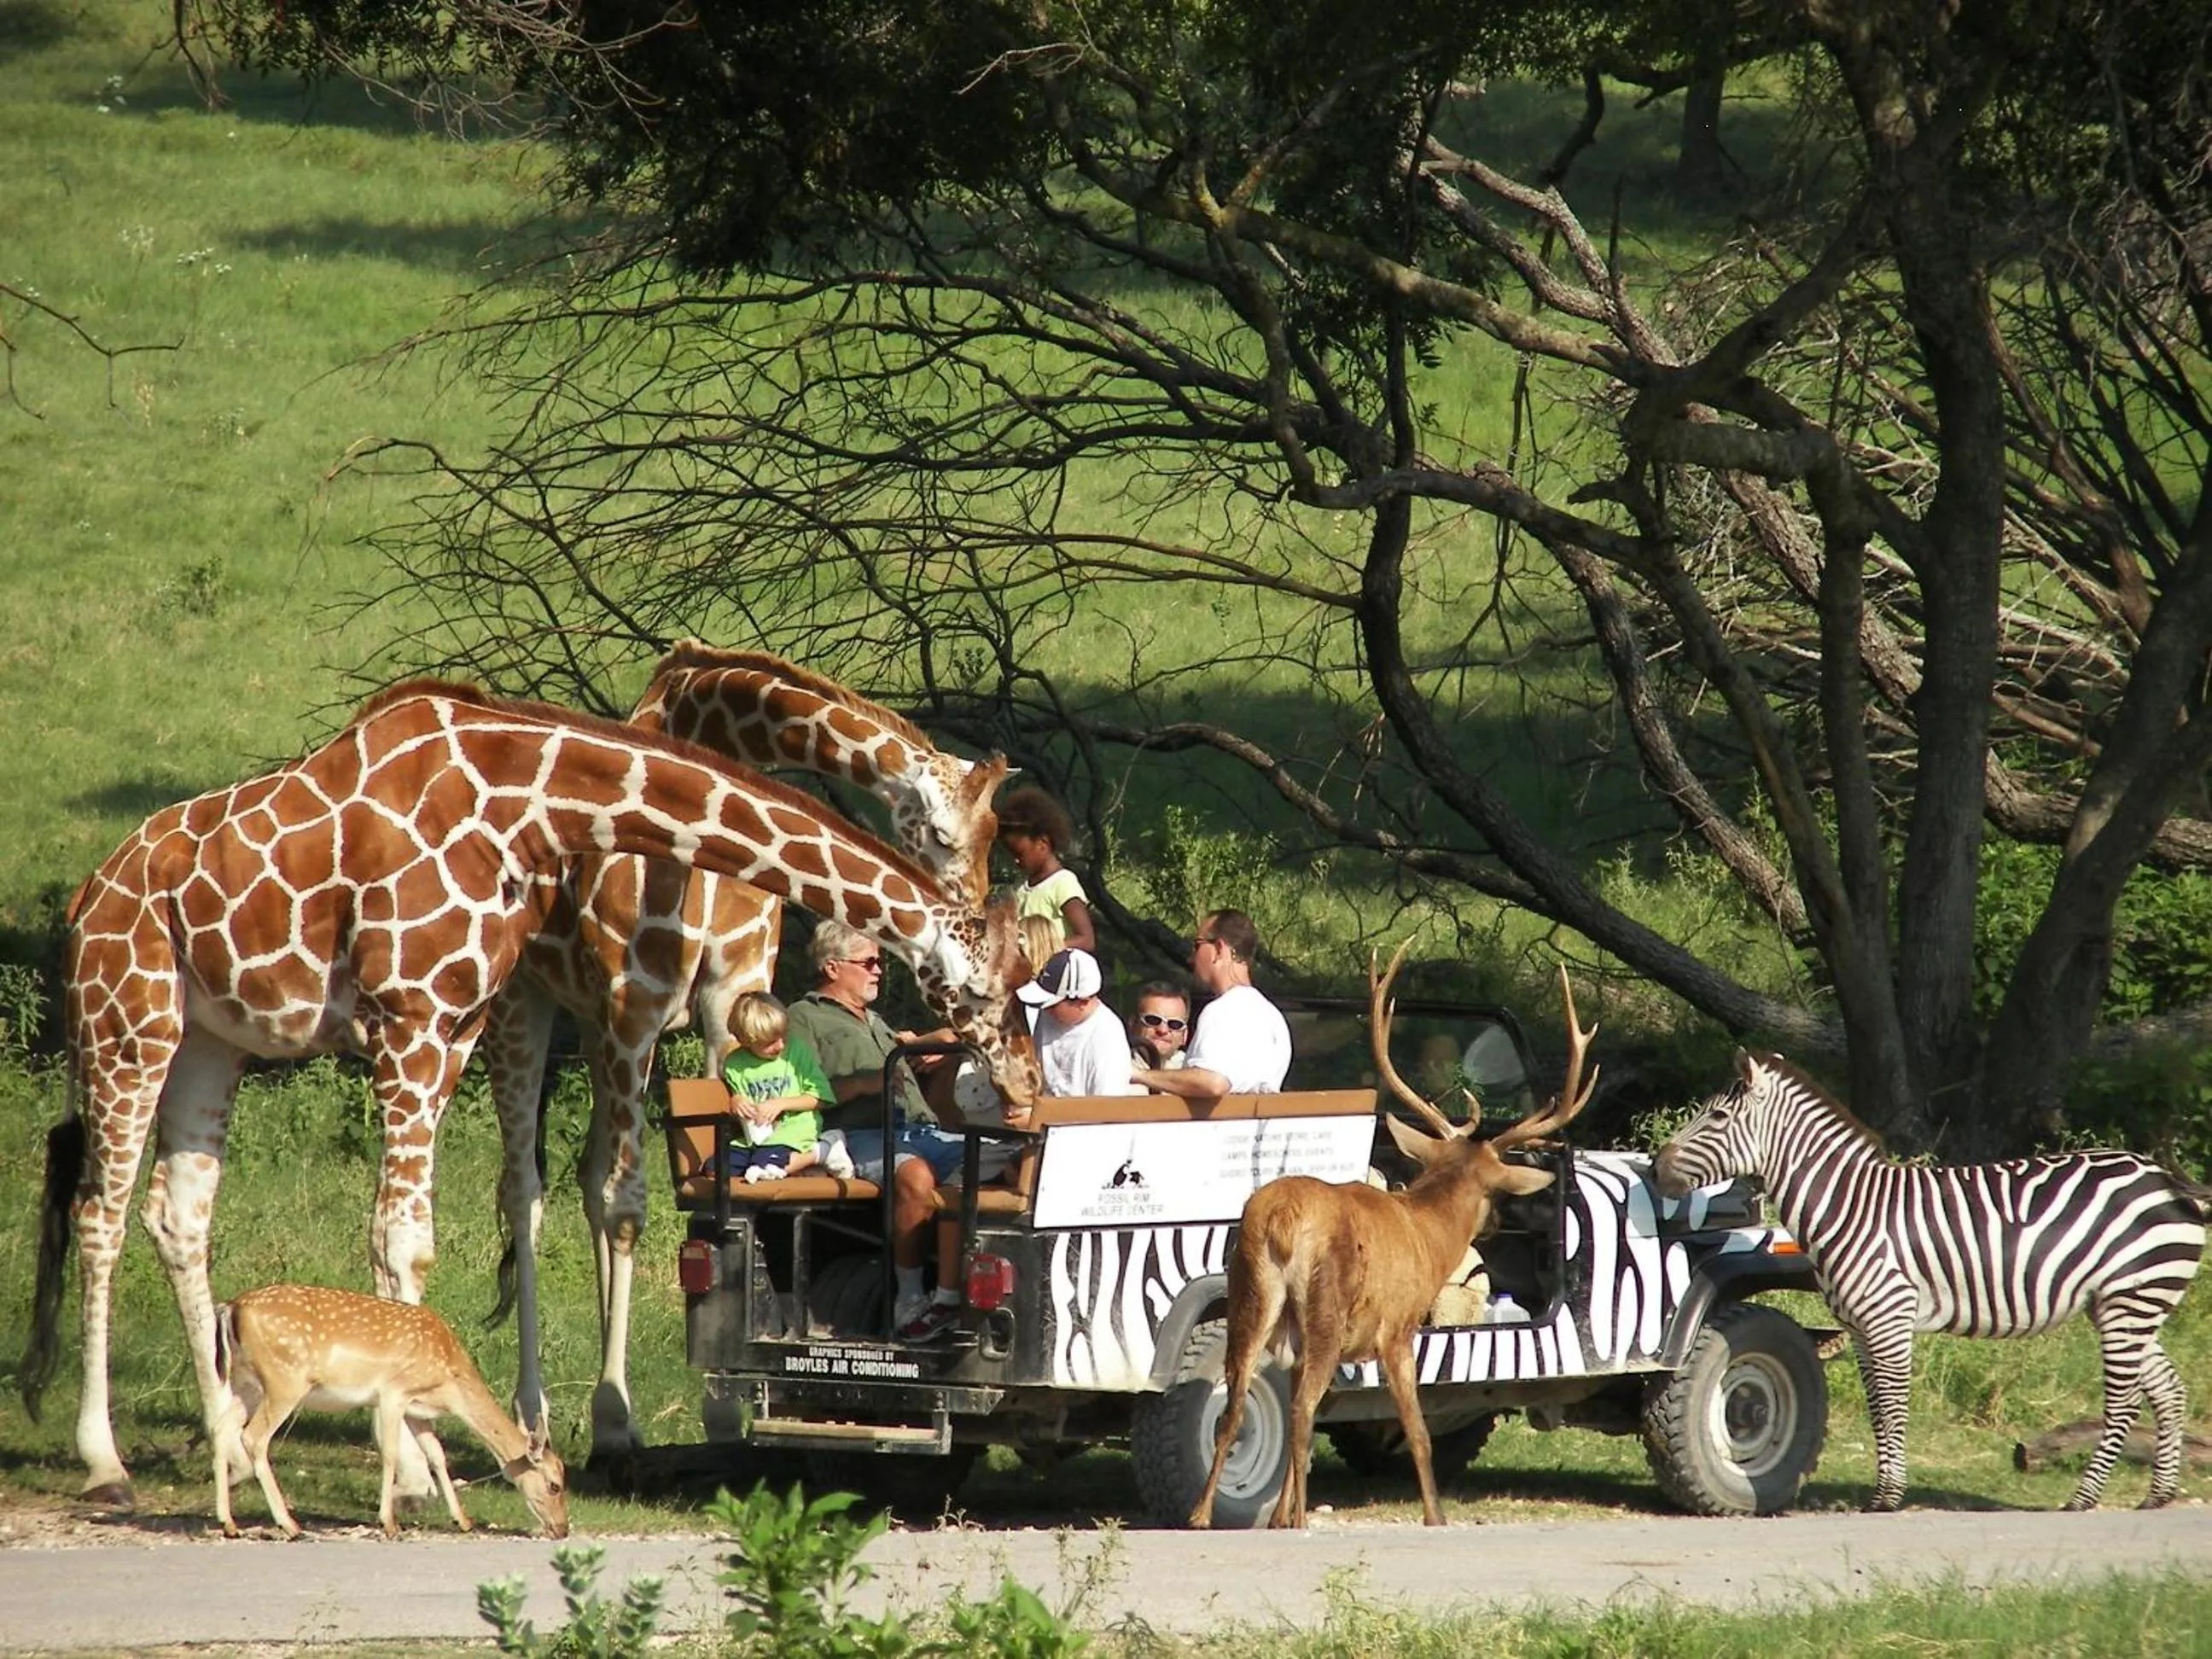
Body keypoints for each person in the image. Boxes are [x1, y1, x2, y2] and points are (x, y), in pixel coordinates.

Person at [784, 919, 970, 1339]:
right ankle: (909, 1299)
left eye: (880, 962)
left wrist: (929, 1047)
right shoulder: (804, 1017)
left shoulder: (875, 1020)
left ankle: (953, 1292)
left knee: (991, 1155)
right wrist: (866, 1083)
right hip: (858, 1135)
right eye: (868, 961)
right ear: (833, 968)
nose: (878, 970)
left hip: (919, 1130)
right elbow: (798, 1090)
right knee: (915, 1174)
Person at [1131, 910, 1291, 1097]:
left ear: (1219, 949)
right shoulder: (1273, 1017)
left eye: (1197, 946)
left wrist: (1138, 1075)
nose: (1192, 958)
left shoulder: (1222, 1011)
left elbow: (1213, 1083)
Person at [719, 992, 856, 1183]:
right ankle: (806, 1166)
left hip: (796, 1129)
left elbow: (821, 1097)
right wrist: (737, 1100)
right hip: (757, 1136)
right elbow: (739, 1094)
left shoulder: (796, 1051)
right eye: (769, 1043)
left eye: (782, 1036)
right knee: (715, 1170)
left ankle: (822, 1150)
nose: (780, 1045)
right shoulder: (734, 1063)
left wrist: (780, 1104)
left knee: (766, 1167)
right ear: (745, 1040)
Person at [1019, 947, 1143, 1097]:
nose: (1045, 1010)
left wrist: (1038, 1114)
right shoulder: (1049, 1016)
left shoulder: (1107, 1039)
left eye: (1052, 1005)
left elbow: (1106, 1110)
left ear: (1082, 1002)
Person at [996, 786, 1097, 955]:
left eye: (1019, 854)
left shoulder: (1063, 883)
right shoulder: (1022, 888)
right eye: (1011, 854)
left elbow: (1086, 939)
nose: (1015, 860)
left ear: (1043, 843)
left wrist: (1045, 950)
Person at [1127, 980, 1192, 1072]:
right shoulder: (1113, 1065)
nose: (1163, 1030)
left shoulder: (1198, 1077)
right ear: (1133, 1024)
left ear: (1184, 1035)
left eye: (1174, 1024)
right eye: (1153, 1020)